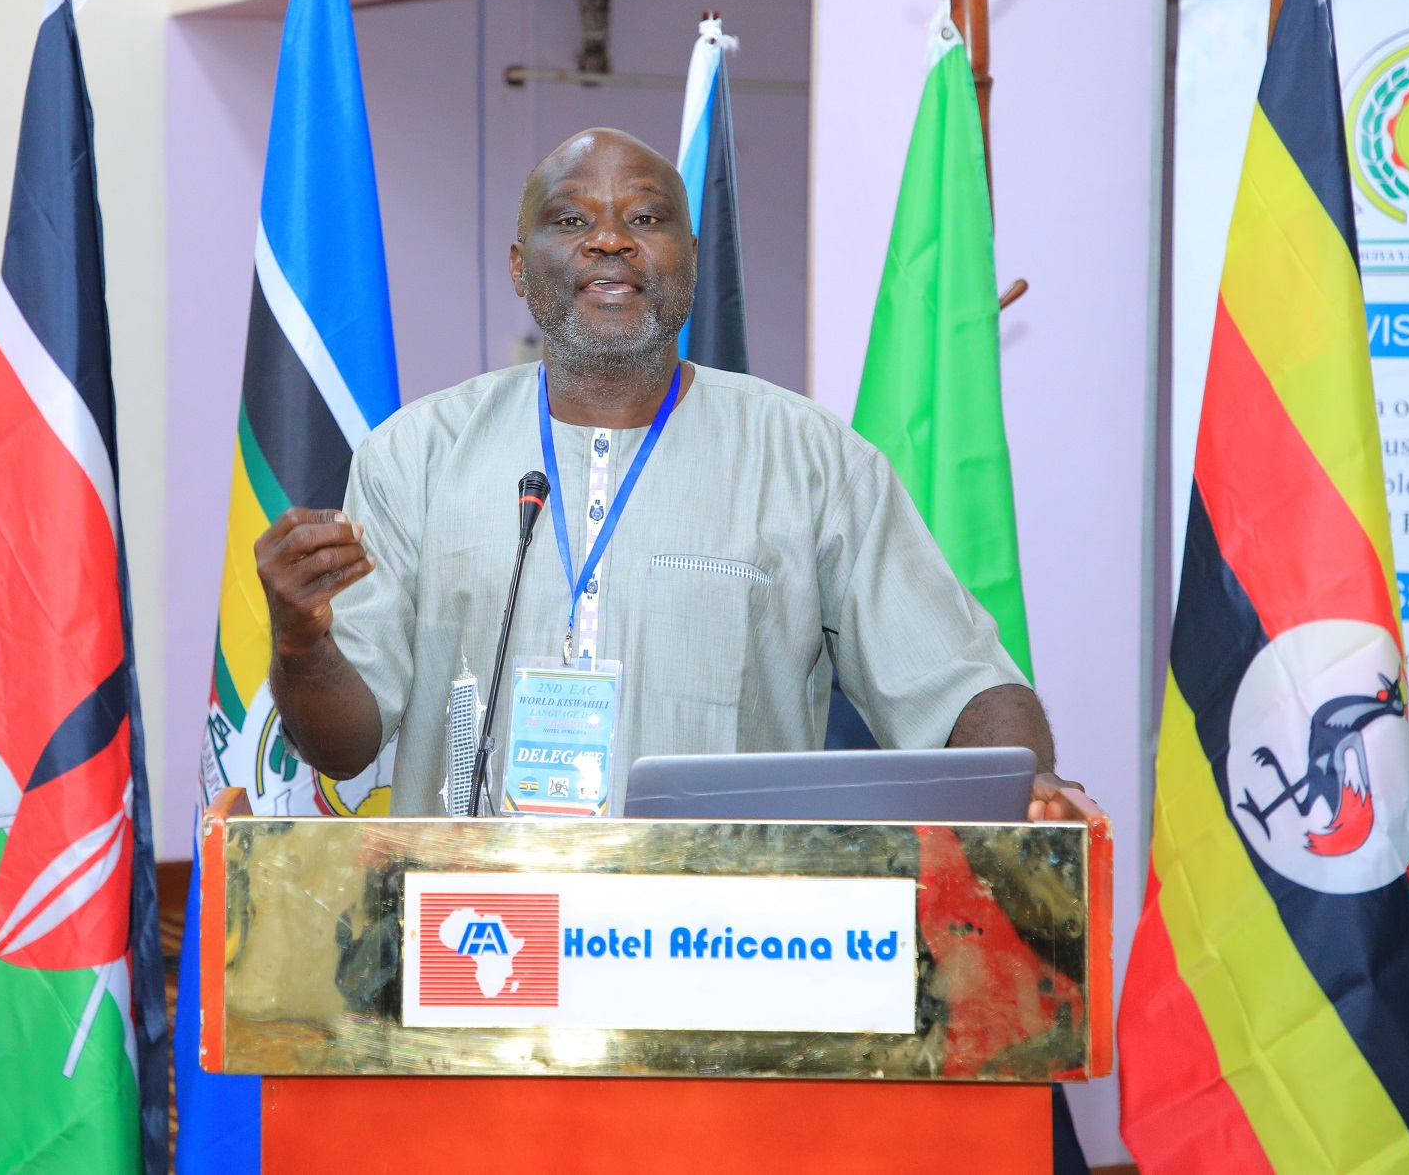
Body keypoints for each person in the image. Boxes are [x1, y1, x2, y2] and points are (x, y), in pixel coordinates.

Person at [254, 127, 1081, 821]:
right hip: (477, 943)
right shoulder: (415, 456)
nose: (608, 239)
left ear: (688, 256)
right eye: (571, 219)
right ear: (518, 266)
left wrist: (1021, 782)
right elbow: (345, 741)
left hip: (726, 951)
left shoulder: (811, 461)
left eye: (644, 217)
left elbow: (962, 681)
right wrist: (299, 640)